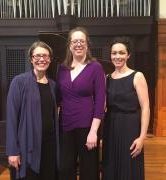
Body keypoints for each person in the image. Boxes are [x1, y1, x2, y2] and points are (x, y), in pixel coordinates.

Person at [57, 27, 106, 180]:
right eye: (75, 41)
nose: (78, 44)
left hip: (87, 127)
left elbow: (100, 101)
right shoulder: (62, 68)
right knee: (65, 168)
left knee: (89, 169)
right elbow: (58, 97)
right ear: (69, 45)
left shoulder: (96, 67)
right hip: (65, 125)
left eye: (82, 41)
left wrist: (94, 131)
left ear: (87, 44)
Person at [6, 41, 59, 180]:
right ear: (31, 59)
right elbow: (11, 118)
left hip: (49, 145)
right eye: (37, 56)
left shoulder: (53, 85)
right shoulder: (19, 82)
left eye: (45, 56)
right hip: (27, 145)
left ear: (50, 59)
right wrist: (12, 150)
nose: (42, 59)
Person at [102, 36, 150, 180]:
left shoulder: (137, 76)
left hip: (130, 127)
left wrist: (142, 137)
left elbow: (146, 108)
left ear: (128, 55)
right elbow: (102, 105)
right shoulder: (107, 78)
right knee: (111, 166)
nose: (117, 56)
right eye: (114, 53)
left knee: (129, 167)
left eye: (121, 53)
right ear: (110, 55)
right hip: (111, 127)